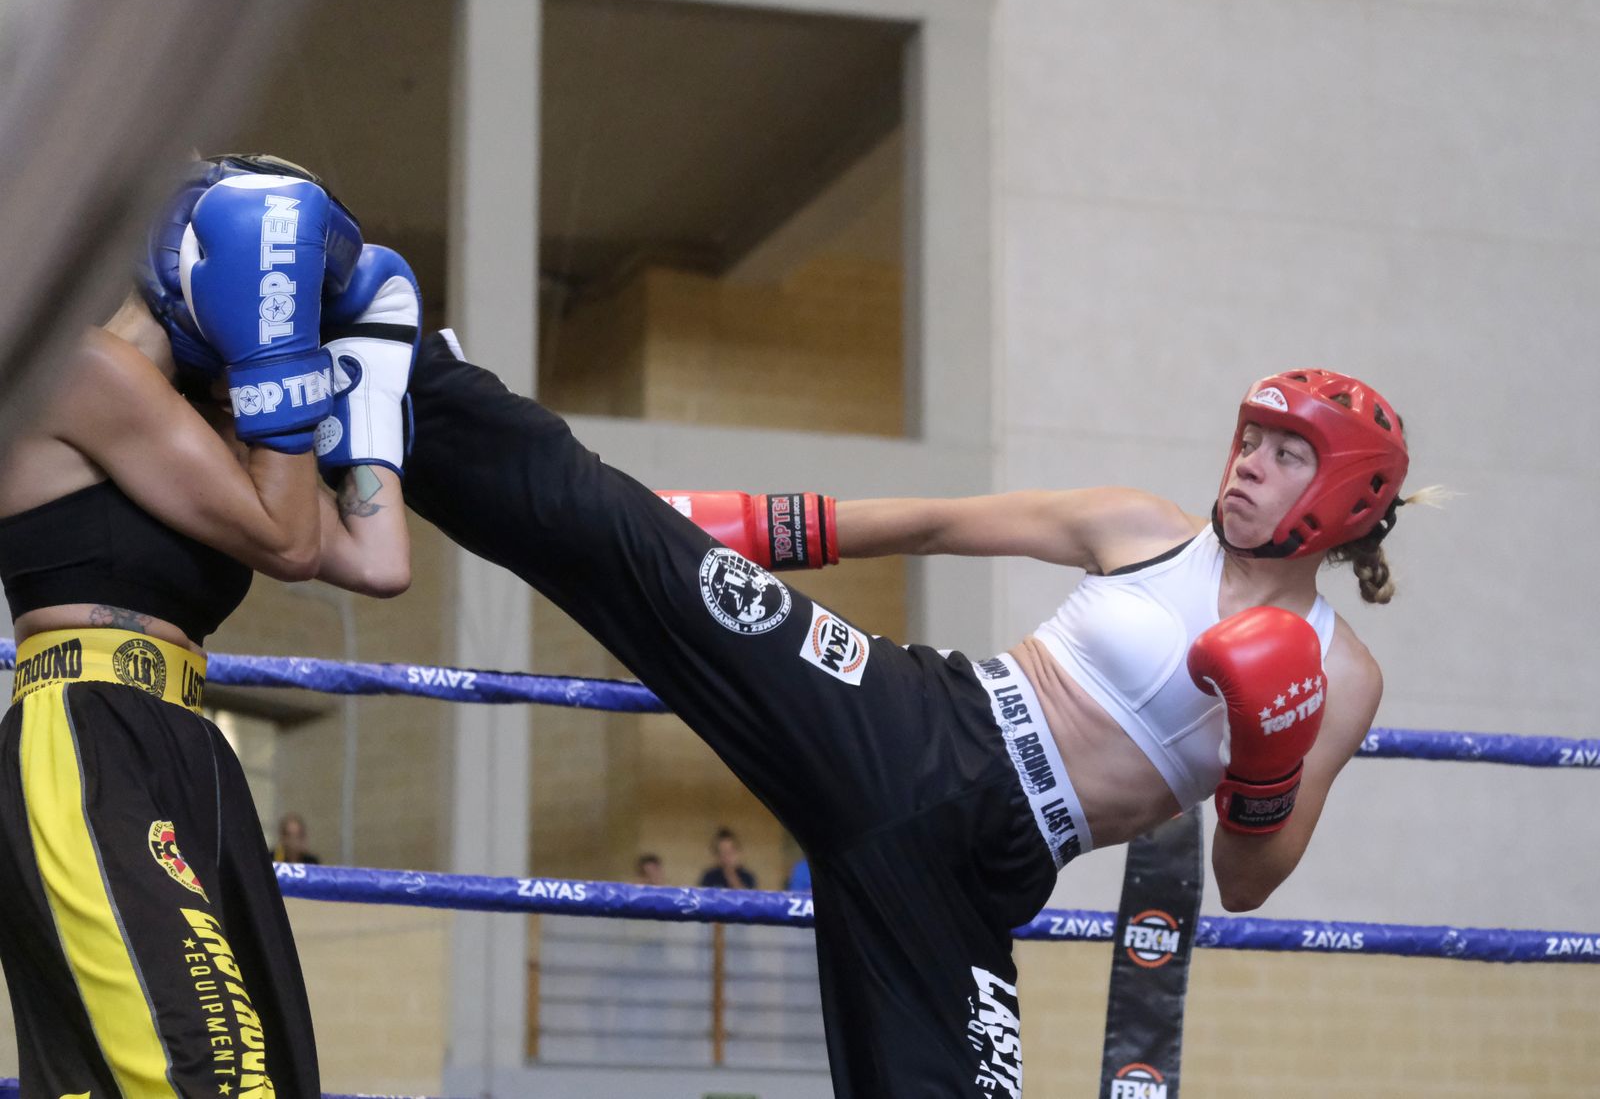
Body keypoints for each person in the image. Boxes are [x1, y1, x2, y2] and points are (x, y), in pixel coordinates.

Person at [399, 338, 1420, 1098]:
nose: (1246, 462)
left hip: (978, 878)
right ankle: (410, 377)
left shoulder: (1342, 674)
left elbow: (1246, 880)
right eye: (1251, 438)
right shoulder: (1142, 525)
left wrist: (1266, 755)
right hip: (907, 726)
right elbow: (914, 523)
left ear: (1340, 493)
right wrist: (678, 527)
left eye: (1286, 453)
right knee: (624, 541)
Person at [0, 154, 416, 1097]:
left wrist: (373, 399)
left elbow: (377, 561)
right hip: (87, 729)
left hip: (191, 749)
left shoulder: (209, 419)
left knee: (258, 1071)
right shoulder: (73, 365)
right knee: (205, 1070)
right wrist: (279, 369)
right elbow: (288, 537)